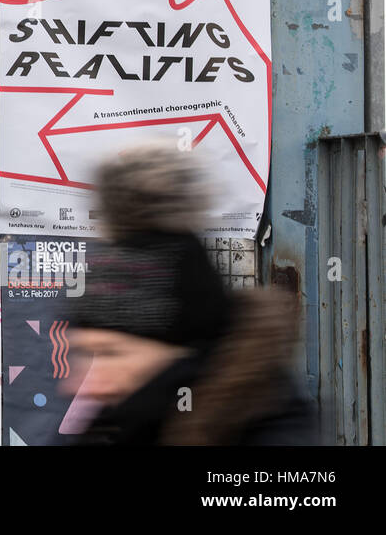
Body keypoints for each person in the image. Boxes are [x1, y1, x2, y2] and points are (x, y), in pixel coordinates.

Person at [61, 143, 316, 445]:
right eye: (84, 354)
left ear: (186, 354)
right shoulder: (110, 425)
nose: (84, 384)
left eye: (111, 353)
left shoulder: (272, 425)